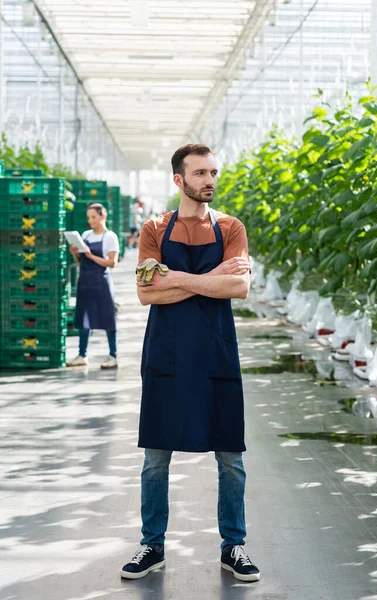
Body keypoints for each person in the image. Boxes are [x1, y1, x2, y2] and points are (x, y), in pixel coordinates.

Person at [120, 144, 260, 582]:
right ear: (179, 181)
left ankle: (233, 546)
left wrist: (175, 278)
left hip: (216, 351)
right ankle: (152, 545)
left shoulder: (232, 227)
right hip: (167, 352)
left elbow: (239, 288)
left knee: (230, 457)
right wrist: (210, 280)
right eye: (200, 173)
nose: (210, 180)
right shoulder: (154, 229)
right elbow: (146, 293)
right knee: (156, 457)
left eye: (214, 172)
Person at [67, 203, 119, 370]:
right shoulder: (86, 235)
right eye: (88, 217)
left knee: (108, 318)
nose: (90, 220)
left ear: (103, 216)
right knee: (83, 318)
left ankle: (113, 356)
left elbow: (112, 263)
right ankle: (82, 355)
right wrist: (76, 254)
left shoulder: (110, 237)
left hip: (101, 282)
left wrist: (90, 254)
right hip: (85, 281)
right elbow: (81, 262)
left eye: (93, 217)